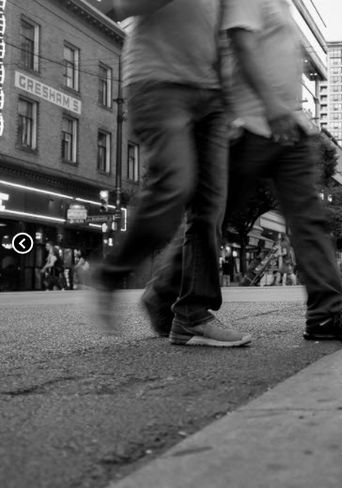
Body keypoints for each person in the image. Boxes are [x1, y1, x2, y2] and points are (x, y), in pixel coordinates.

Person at [144, 0, 342, 342]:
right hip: (250, 124)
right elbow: (241, 41)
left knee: (309, 217)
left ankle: (326, 314)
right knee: (213, 219)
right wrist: (269, 105)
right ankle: (165, 294)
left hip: (289, 126)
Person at [93, 0, 251, 347]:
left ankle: (193, 314)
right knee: (175, 185)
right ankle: (109, 273)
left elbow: (222, 35)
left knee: (211, 207)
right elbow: (114, 7)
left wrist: (232, 103)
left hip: (210, 97)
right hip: (156, 82)